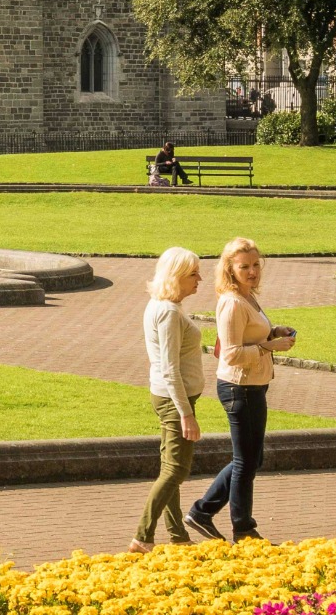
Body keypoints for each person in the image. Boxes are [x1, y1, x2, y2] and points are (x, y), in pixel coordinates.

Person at [187, 236, 293, 543]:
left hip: (254, 386)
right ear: (230, 269)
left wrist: (274, 332)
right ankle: (243, 529)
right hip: (239, 388)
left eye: (255, 265)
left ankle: (203, 512)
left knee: (250, 458)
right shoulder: (232, 303)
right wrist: (268, 346)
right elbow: (231, 353)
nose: (252, 271)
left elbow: (251, 335)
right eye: (244, 266)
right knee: (247, 461)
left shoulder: (247, 297)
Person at [131, 246, 206, 550]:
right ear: (176, 277)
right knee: (176, 469)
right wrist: (186, 413)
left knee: (170, 468)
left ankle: (178, 535)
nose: (199, 279)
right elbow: (170, 368)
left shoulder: (163, 306)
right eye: (193, 274)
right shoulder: (168, 312)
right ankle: (142, 536)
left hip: (171, 396)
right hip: (174, 398)